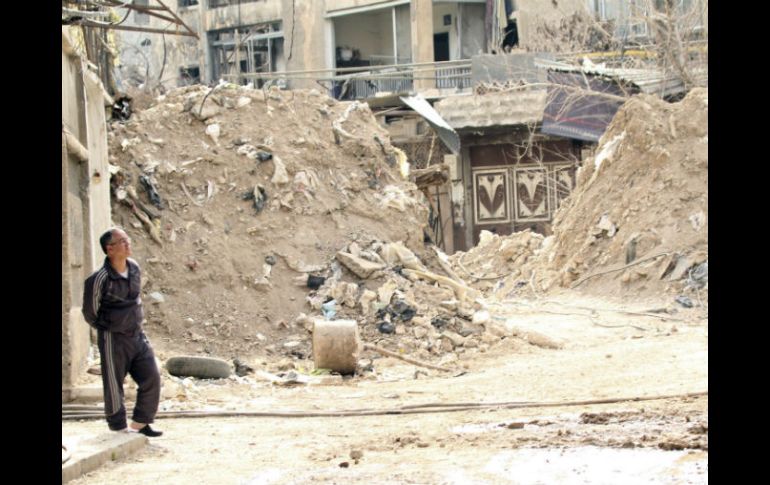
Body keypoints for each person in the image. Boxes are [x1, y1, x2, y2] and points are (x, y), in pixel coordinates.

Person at [82, 228, 163, 437]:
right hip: (113, 338)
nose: (128, 244)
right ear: (110, 249)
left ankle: (140, 423)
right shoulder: (99, 279)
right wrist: (109, 326)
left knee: (152, 376)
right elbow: (90, 312)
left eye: (127, 240)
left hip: (137, 334)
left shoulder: (134, 267)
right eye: (122, 241)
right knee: (113, 384)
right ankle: (118, 428)